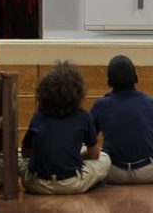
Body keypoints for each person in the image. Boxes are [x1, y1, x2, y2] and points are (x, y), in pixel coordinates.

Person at [18, 61, 110, 194]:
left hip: (37, 184)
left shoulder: (39, 116)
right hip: (72, 183)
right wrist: (77, 157)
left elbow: (25, 152)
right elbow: (94, 155)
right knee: (105, 158)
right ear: (78, 93)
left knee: (17, 155)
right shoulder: (84, 117)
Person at [90, 55, 153, 184]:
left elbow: (89, 140)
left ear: (109, 81)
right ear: (136, 78)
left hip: (111, 172)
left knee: (85, 149)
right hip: (147, 173)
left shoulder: (101, 104)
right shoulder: (150, 102)